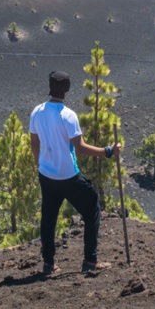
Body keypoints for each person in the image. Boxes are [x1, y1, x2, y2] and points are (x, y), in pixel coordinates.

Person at [30, 70, 121, 274]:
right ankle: (90, 261)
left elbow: (34, 144)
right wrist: (108, 151)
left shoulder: (36, 112)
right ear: (67, 90)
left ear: (50, 87)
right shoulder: (68, 115)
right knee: (92, 210)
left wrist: (41, 165)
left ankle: (49, 264)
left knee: (48, 218)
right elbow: (80, 148)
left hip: (47, 175)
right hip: (68, 176)